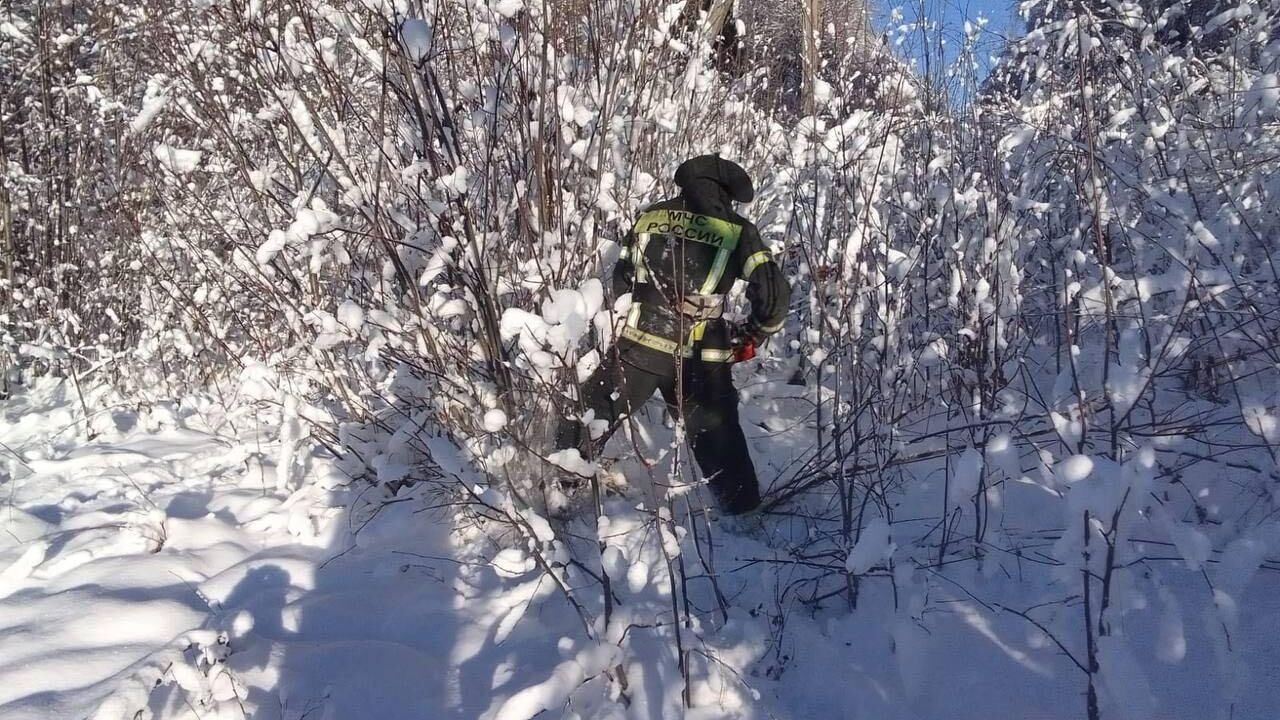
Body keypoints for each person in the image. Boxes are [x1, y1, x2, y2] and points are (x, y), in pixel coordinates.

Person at [553, 154, 790, 515]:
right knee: (720, 443)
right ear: (727, 193)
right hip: (703, 358)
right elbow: (774, 296)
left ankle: (558, 499)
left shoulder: (651, 217)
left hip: (640, 346)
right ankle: (744, 520)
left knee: (588, 414)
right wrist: (752, 334)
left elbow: (621, 280)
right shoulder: (737, 229)